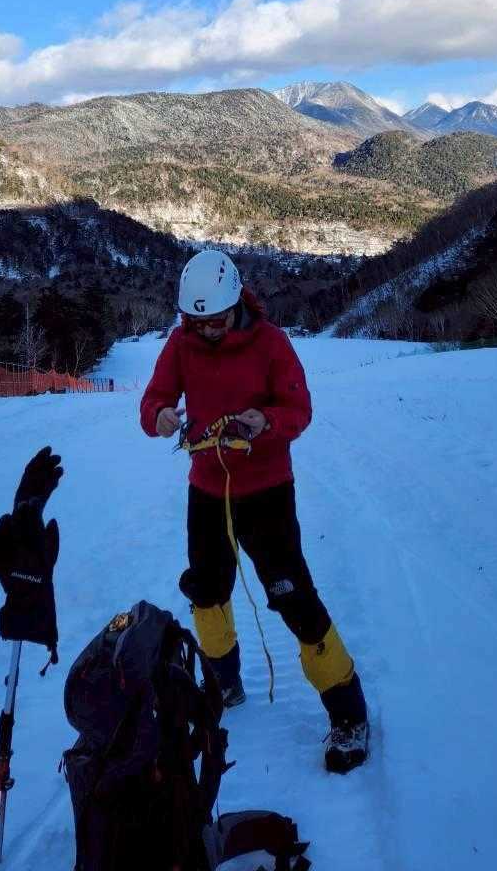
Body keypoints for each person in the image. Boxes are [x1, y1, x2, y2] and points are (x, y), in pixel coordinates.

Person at [139, 248, 369, 774]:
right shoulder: (181, 343)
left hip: (266, 491)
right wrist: (161, 415)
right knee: (207, 591)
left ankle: (348, 711)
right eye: (197, 322)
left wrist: (265, 422)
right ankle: (224, 681)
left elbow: (298, 410)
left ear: (236, 302)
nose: (207, 331)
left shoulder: (271, 343)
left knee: (294, 597)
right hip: (206, 491)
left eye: (216, 321)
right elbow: (153, 399)